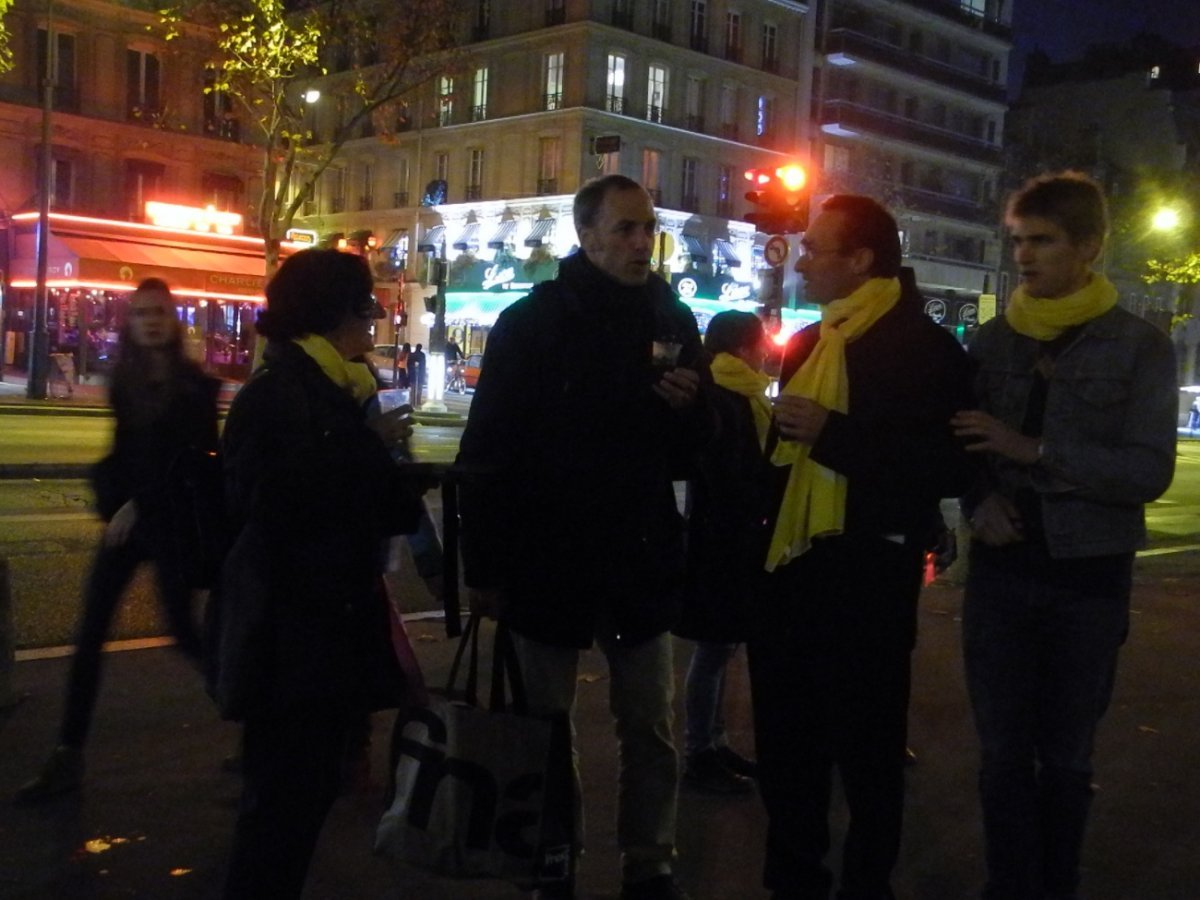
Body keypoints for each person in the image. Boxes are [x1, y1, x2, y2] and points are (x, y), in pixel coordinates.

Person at [457, 174, 708, 900]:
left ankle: (650, 861)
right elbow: (488, 451)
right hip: (550, 559)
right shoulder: (532, 323)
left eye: (647, 228)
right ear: (587, 234)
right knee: (544, 724)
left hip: (637, 557)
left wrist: (692, 410)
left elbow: (694, 451)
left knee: (649, 726)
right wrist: (486, 567)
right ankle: (553, 855)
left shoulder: (670, 315)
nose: (640, 242)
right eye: (625, 228)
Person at [950, 172, 1177, 900]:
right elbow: (959, 445)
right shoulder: (992, 339)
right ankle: (1008, 884)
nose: (1023, 255)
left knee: (1068, 755)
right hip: (1002, 574)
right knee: (1003, 752)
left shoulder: (1139, 347)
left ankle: (1056, 884)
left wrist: (1034, 451)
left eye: (1041, 241)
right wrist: (978, 498)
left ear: (1088, 246)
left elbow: (1147, 470)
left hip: (1088, 578)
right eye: (1016, 240)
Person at [749, 194, 975, 900]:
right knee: (788, 748)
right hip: (792, 570)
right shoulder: (813, 343)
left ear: (861, 260)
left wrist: (831, 432)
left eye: (817, 248)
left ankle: (865, 885)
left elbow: (943, 466)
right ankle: (793, 880)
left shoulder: (926, 348)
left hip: (871, 574)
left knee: (868, 753)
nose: (802, 259)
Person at [211, 249, 425, 898]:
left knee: (300, 802)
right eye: (365, 306)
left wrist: (383, 454)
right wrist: (370, 448)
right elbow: (273, 507)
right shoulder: (279, 395)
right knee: (282, 807)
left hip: (324, 639)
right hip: (291, 643)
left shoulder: (342, 391)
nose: (375, 319)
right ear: (331, 313)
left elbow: (386, 511)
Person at [15, 278, 221, 803]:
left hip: (169, 526)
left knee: (185, 634)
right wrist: (113, 503)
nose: (151, 321)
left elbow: (195, 467)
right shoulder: (124, 382)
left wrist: (138, 505)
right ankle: (67, 754)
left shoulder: (197, 387)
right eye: (141, 313)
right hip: (128, 524)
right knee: (89, 635)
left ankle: (258, 716)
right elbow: (122, 455)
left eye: (159, 312)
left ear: (174, 320)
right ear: (130, 323)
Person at [675, 311, 774, 796]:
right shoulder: (724, 395)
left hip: (728, 537)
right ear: (743, 348)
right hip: (721, 540)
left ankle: (713, 742)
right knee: (713, 649)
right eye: (761, 344)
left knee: (720, 648)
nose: (766, 354)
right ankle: (699, 751)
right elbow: (730, 472)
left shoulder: (738, 392)